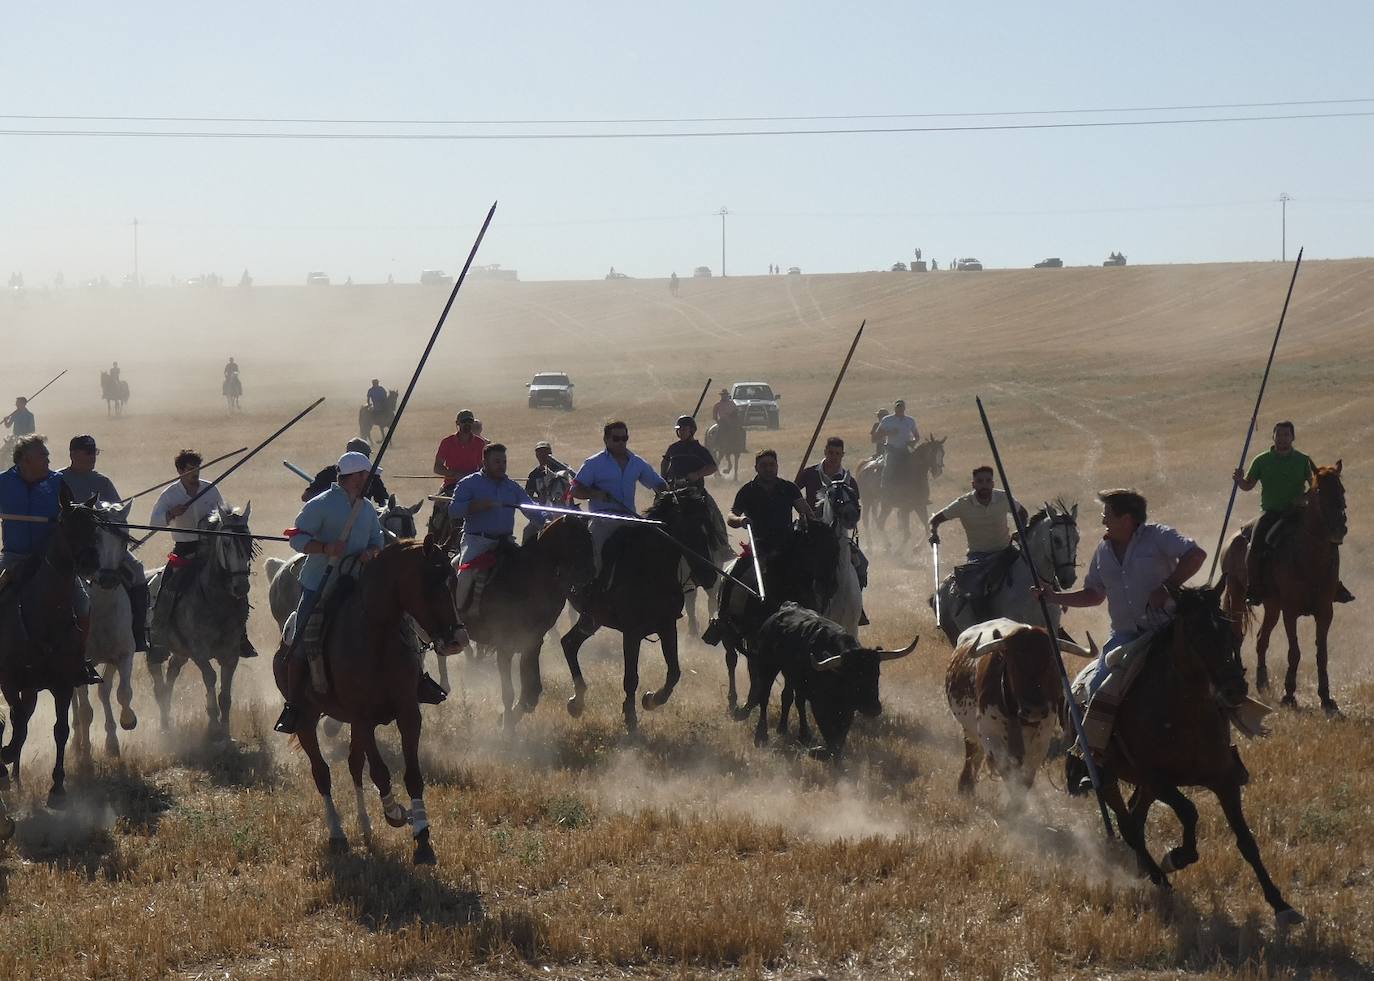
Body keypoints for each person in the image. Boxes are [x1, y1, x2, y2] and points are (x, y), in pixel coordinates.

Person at [274, 451, 386, 734]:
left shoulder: (368, 508)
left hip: (359, 581)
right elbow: (297, 538)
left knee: (399, 621)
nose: (370, 479)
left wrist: (371, 553)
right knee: (301, 637)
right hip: (320, 583)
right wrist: (324, 549)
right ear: (355, 476)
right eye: (366, 475)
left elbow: (378, 540)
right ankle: (294, 705)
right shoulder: (320, 504)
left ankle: (413, 679)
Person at [1036, 488, 1205, 670]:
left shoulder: (1158, 536)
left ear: (1126, 520)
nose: (1103, 520)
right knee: (1092, 691)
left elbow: (1196, 555)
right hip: (1124, 639)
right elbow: (1093, 595)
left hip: (1166, 633)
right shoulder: (1103, 551)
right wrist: (1054, 597)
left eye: (1107, 515)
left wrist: (1167, 587)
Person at [0, 434, 102, 687]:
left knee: (83, 604)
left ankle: (79, 660)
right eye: (43, 455)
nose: (48, 459)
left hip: (51, 561)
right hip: (14, 559)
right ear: (26, 459)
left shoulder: (57, 481)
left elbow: (71, 510)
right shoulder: (3, 482)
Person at [147, 449, 256, 662]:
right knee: (166, 589)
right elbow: (154, 522)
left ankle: (241, 637)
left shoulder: (210, 490)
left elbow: (224, 513)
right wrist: (171, 514)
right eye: (190, 469)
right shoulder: (170, 495)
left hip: (210, 551)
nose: (195, 473)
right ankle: (159, 638)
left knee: (238, 584)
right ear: (179, 471)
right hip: (184, 551)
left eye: (198, 468)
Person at [1232, 420, 1354, 604]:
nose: (1282, 438)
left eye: (1286, 435)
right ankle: (1254, 588)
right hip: (1270, 513)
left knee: (1329, 540)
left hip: (1297, 512)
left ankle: (1334, 585)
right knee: (1256, 545)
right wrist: (1240, 480)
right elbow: (1248, 485)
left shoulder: (1303, 459)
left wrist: (1303, 498)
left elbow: (1314, 486)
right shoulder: (1261, 460)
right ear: (1273, 436)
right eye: (1279, 434)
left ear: (1293, 437)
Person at [60, 434, 149, 651]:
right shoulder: (58, 480)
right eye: (88, 452)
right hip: (70, 547)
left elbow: (119, 517)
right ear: (73, 454)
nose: (93, 457)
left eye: (95, 452)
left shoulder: (103, 482)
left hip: (103, 546)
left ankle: (138, 633)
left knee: (137, 569)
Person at [449, 443, 545, 617]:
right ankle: (458, 618)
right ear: (484, 462)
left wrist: (546, 521)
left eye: (504, 461)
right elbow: (453, 510)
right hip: (476, 542)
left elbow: (531, 509)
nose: (502, 465)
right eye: (497, 462)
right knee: (464, 576)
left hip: (506, 542)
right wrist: (476, 505)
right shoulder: (469, 483)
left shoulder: (512, 487)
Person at [572, 420, 668, 580]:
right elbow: (575, 490)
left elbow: (658, 483)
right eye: (616, 439)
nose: (621, 442)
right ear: (606, 440)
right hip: (602, 521)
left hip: (631, 520)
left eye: (624, 438)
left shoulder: (637, 463)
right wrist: (596, 494)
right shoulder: (594, 463)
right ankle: (594, 590)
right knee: (596, 560)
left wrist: (666, 492)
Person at [929, 465, 1027, 619]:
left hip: (1006, 550)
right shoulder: (963, 503)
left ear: (993, 484)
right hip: (979, 556)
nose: (984, 485)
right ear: (973, 484)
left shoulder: (1003, 498)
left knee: (1033, 571)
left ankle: (1052, 609)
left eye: (988, 481)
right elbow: (935, 520)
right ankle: (983, 621)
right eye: (980, 481)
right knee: (974, 589)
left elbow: (1022, 513)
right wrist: (934, 534)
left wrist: (1021, 531)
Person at [798, 436, 869, 591]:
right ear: (825, 452)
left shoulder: (850, 483)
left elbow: (854, 510)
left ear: (842, 455)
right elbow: (793, 494)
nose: (834, 457)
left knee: (861, 563)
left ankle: (857, 605)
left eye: (837, 454)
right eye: (831, 453)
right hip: (809, 531)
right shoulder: (809, 473)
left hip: (838, 535)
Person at [728, 449, 815, 567]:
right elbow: (731, 516)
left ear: (777, 466)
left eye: (771, 465)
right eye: (763, 465)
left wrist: (806, 522)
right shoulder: (747, 490)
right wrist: (740, 520)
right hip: (758, 548)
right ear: (756, 468)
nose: (768, 469)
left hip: (787, 547)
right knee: (734, 578)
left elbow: (807, 513)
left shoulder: (789, 488)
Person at [661, 414, 728, 558]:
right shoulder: (673, 448)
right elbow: (665, 462)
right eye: (679, 430)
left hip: (695, 492)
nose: (681, 432)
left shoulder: (700, 450)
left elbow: (712, 467)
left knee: (713, 514)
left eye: (684, 429)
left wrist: (697, 474)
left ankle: (722, 546)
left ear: (692, 430)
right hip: (674, 492)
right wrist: (664, 477)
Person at [303, 437, 390, 505]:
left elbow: (383, 500)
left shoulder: (372, 475)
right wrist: (326, 500)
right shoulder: (329, 473)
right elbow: (306, 496)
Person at [433, 410, 487, 493]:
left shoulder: (480, 443)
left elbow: (483, 467)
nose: (467, 424)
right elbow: (437, 468)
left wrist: (474, 477)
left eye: (470, 421)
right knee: (439, 505)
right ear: (457, 423)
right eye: (464, 421)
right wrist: (455, 474)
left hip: (473, 484)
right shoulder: (447, 442)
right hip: (452, 484)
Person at [525, 440, 571, 505]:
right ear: (536, 455)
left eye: (545, 451)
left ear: (550, 453)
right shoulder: (534, 475)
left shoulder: (562, 467)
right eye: (539, 452)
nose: (542, 454)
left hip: (566, 506)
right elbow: (527, 496)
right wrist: (540, 499)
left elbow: (573, 487)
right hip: (545, 510)